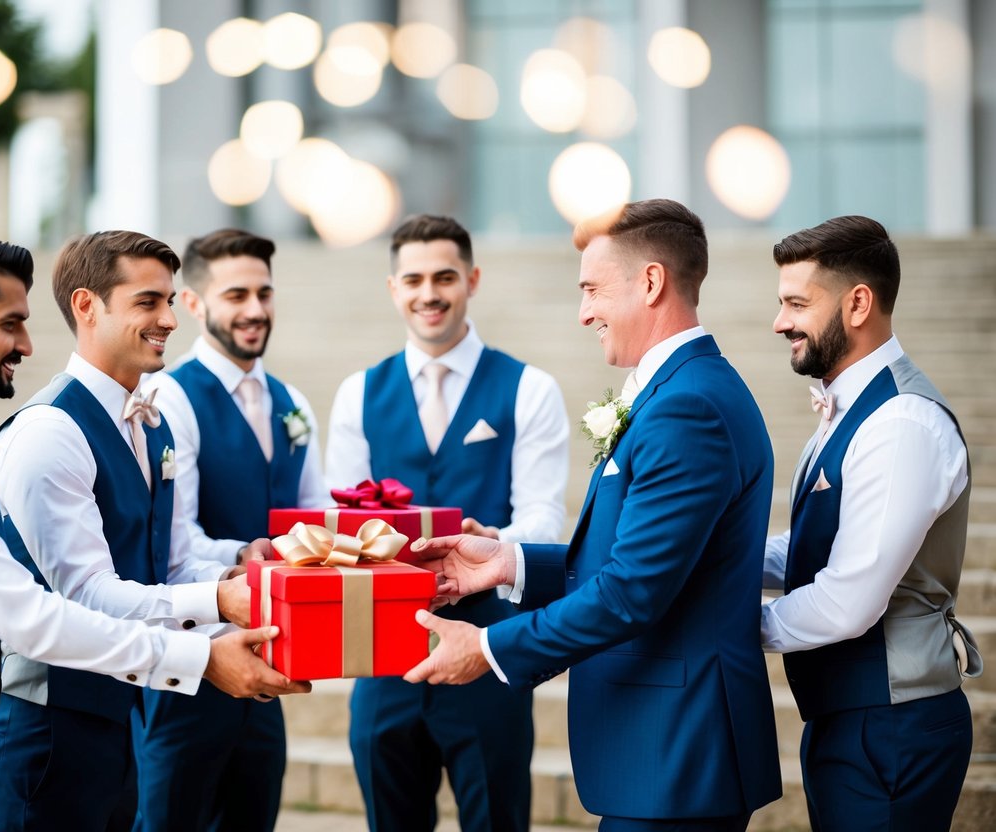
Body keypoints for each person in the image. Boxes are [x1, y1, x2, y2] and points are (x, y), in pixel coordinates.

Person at [0, 234, 287, 832]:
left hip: (51, 731)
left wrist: (230, 572)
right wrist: (203, 647)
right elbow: (41, 613)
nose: (29, 344)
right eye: (11, 324)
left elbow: (158, 557)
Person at [406, 199, 783, 831]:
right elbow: (630, 557)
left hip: (679, 749)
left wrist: (491, 646)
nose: (584, 313)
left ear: (652, 282)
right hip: (662, 749)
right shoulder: (680, 391)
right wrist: (508, 562)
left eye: (592, 290)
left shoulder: (687, 408)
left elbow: (633, 591)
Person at [0, 231, 309, 832]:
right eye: (147, 303)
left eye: (168, 302)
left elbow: (173, 562)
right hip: (48, 726)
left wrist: (243, 571)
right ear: (87, 307)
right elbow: (85, 596)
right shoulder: (49, 432)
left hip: (124, 712)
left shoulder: (149, 421)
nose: (168, 320)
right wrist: (219, 606)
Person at [326, 214, 569, 831]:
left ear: (472, 280)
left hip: (489, 654)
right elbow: (341, 520)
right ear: (392, 288)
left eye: (444, 277)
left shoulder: (528, 389)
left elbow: (542, 517)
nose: (428, 293)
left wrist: (495, 543)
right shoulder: (358, 392)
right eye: (413, 279)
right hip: (383, 657)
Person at [761, 215, 979, 829]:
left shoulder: (902, 421)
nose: (780, 322)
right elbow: (809, 550)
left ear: (858, 303)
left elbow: (849, 599)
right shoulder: (850, 409)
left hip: (891, 725)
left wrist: (725, 623)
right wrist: (708, 554)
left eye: (797, 303)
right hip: (853, 717)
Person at [134, 228, 330, 831]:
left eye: (264, 293)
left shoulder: (290, 400)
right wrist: (250, 556)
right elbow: (175, 542)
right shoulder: (170, 396)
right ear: (192, 304)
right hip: (189, 666)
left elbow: (315, 515)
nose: (254, 310)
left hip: (268, 660)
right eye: (236, 294)